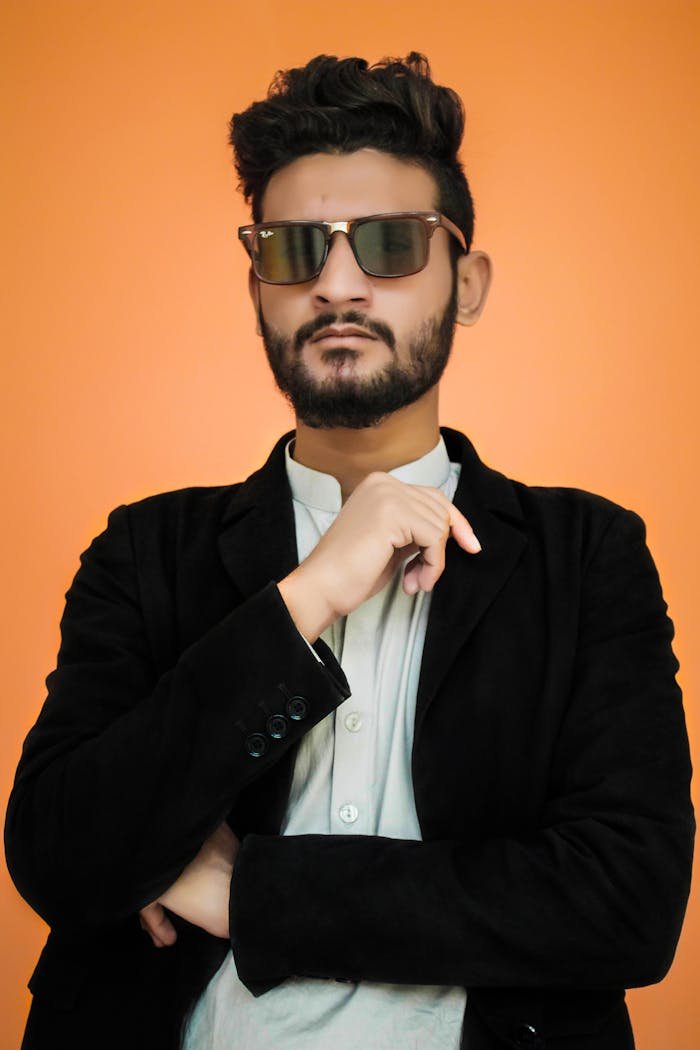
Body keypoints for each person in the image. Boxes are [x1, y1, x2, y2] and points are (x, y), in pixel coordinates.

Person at [4, 51, 694, 1050]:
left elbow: (626, 902)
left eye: (389, 245)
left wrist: (247, 894)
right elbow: (58, 854)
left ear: (467, 283)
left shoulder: (586, 556)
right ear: (257, 287)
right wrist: (308, 596)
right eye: (293, 252)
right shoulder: (146, 550)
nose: (336, 285)